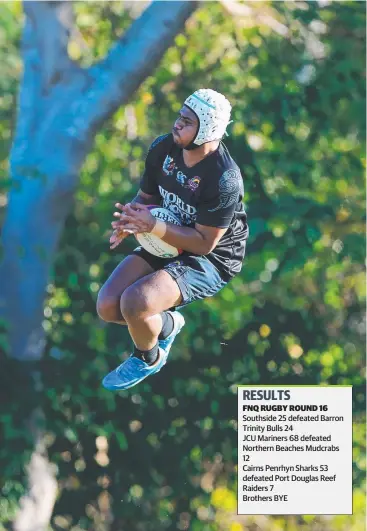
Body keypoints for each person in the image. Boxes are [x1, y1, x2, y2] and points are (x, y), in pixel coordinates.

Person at [97, 88, 249, 391]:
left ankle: (146, 356)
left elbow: (205, 243)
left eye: (187, 121)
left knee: (136, 302)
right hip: (167, 234)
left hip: (211, 257)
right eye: (179, 116)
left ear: (208, 129)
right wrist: (131, 219)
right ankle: (168, 325)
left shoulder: (224, 178)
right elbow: (147, 197)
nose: (177, 124)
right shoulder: (163, 148)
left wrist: (152, 224)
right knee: (108, 306)